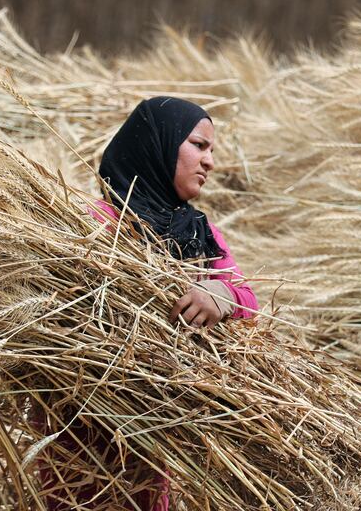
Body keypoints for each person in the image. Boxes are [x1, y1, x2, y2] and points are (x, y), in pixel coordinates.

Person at [42, 96, 257, 510]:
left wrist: (223, 295)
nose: (210, 161)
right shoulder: (92, 224)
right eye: (198, 145)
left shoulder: (199, 233)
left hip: (162, 420)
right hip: (83, 422)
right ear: (157, 143)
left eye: (212, 149)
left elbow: (249, 297)